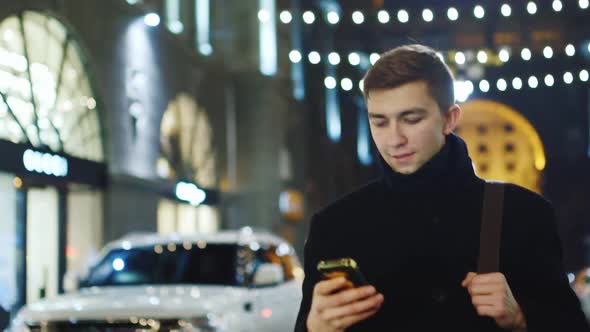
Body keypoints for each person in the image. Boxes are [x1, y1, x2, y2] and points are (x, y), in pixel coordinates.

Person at [293, 44, 590, 332]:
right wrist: (316, 328)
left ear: (450, 119)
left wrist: (521, 318)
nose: (394, 139)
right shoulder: (334, 226)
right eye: (379, 122)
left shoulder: (523, 214)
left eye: (411, 119)